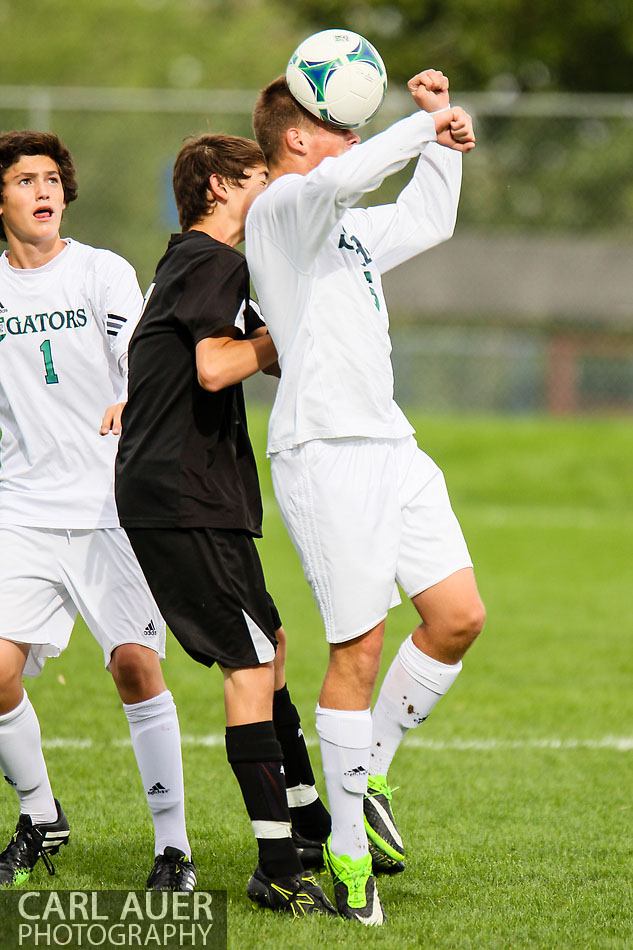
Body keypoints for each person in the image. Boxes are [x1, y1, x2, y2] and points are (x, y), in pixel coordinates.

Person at [245, 69, 486, 924]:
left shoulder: (343, 228)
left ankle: (371, 769)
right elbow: (347, 175)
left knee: (457, 616)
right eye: (337, 125)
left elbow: (428, 217)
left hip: (391, 444)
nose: (352, 136)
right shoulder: (280, 211)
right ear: (296, 139)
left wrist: (441, 138)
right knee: (358, 650)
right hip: (324, 453)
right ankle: (347, 857)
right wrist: (421, 130)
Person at [114, 134, 334, 917]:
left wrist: (285, 327)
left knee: (266, 642)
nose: (271, 194)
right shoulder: (212, 260)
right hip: (182, 495)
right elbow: (214, 366)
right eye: (261, 181)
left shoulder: (192, 262)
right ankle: (277, 862)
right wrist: (286, 329)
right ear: (218, 185)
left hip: (190, 492)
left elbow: (230, 356)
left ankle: (309, 819)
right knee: (247, 664)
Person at [0, 131, 195, 891]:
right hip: (20, 508)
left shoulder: (101, 272)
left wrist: (129, 393)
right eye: (25, 180)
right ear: (2, 199)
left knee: (136, 668)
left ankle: (172, 848)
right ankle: (40, 814)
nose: (44, 191)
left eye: (52, 178)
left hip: (112, 505)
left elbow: (140, 359)